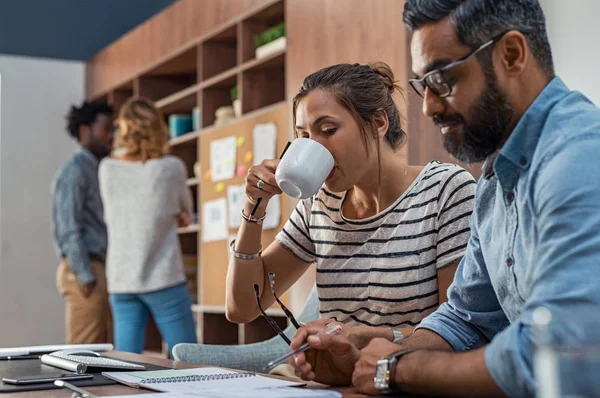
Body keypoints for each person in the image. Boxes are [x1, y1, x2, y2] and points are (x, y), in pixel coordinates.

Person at [290, 0, 600, 396]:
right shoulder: (494, 180)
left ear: (511, 54)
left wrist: (398, 369)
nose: (428, 107)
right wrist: (369, 354)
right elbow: (465, 319)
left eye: (442, 80)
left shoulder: (578, 158)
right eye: (423, 85)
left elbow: (560, 354)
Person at [225, 61, 476, 352]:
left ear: (378, 123)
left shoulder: (445, 190)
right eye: (304, 137)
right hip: (339, 383)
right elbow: (241, 308)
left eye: (328, 130)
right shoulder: (318, 204)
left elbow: (459, 330)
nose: (313, 147)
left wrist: (362, 338)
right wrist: (253, 210)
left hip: (412, 380)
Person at [99, 97, 197, 355]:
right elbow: (186, 213)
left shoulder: (107, 169)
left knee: (125, 361)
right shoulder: (171, 168)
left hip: (122, 278)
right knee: (187, 359)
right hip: (162, 276)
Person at [52, 101, 114, 344]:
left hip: (96, 267)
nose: (112, 136)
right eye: (107, 128)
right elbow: (68, 228)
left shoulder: (99, 169)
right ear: (86, 130)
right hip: (85, 268)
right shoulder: (75, 171)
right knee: (83, 354)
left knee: (100, 353)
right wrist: (85, 275)